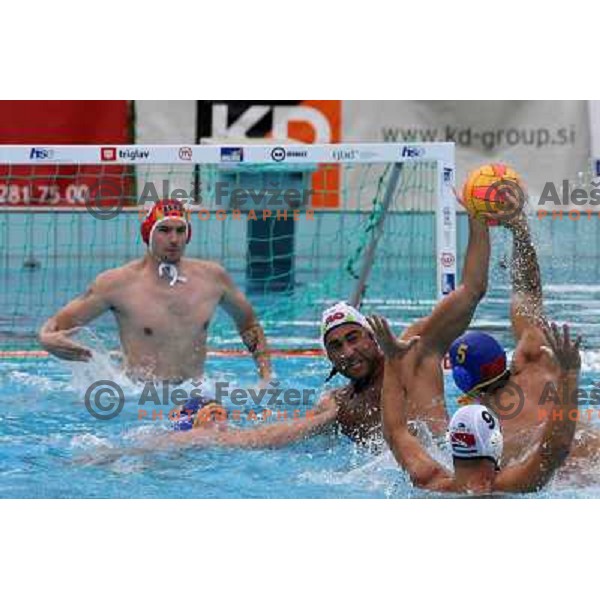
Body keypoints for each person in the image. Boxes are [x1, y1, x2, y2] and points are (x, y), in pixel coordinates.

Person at [38, 199, 272, 384]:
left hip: (195, 393)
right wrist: (46, 338)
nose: (174, 239)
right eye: (165, 230)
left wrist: (266, 377)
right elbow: (58, 326)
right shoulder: (116, 284)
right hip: (137, 396)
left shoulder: (213, 278)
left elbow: (249, 324)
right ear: (148, 234)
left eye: (181, 231)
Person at [447, 198, 600, 467]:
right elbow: (527, 293)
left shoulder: (480, 428)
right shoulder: (536, 362)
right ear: (500, 357)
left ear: (462, 381)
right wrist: (519, 230)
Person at [369, 314, 581, 494]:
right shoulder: (512, 484)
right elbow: (556, 448)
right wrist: (569, 376)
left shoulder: (430, 481)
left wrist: (393, 357)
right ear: (496, 442)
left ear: (452, 440)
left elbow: (395, 432)